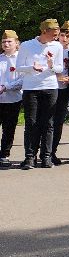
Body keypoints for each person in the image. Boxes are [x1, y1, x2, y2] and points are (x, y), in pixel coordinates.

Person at [18, 18, 65, 169]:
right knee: (31, 122)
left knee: (48, 122)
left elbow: (59, 69)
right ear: (44, 31)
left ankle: (46, 156)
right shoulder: (27, 45)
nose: (56, 37)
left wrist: (52, 66)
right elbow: (19, 67)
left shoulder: (57, 46)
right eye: (54, 34)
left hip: (50, 87)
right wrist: (32, 67)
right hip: (31, 88)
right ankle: (30, 157)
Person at [52, 20, 69, 164]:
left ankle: (53, 151)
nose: (64, 38)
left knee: (58, 121)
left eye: (68, 36)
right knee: (46, 121)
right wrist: (57, 77)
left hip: (65, 89)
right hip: (51, 87)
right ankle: (44, 151)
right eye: (62, 35)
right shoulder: (52, 48)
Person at [0, 30, 23, 167]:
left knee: (9, 129)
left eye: (9, 41)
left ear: (16, 43)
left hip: (13, 99)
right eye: (4, 42)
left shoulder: (20, 59)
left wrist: (6, 87)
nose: (6, 44)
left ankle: (4, 155)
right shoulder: (0, 59)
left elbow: (22, 80)